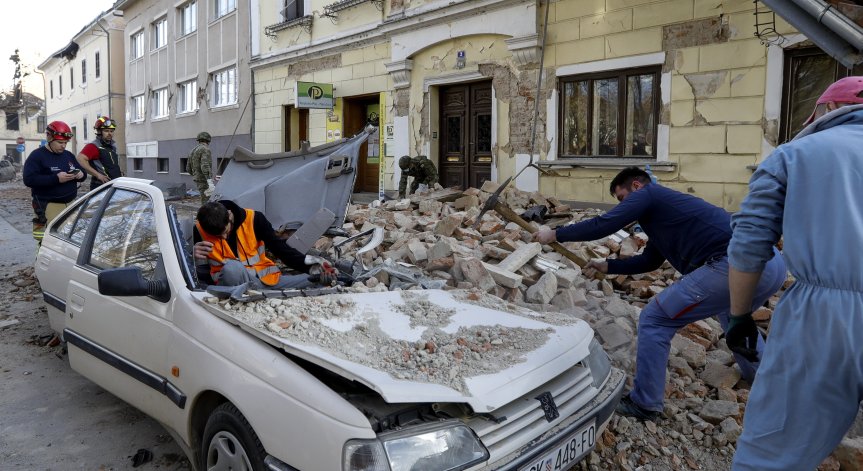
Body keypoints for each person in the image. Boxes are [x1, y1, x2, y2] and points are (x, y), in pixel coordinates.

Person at [533, 167, 787, 421]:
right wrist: (609, 266)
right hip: (770, 264)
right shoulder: (661, 215)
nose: (624, 206)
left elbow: (607, 223)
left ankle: (645, 404)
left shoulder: (649, 194)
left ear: (636, 186)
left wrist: (555, 233)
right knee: (733, 316)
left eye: (622, 198)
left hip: (734, 262)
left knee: (655, 319)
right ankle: (763, 379)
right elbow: (650, 262)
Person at [728, 77, 863, 470]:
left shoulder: (796, 154)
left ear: (827, 110)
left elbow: (749, 245)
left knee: (771, 455)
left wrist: (739, 317)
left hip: (823, 318)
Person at [192, 200, 339, 290]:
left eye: (225, 231)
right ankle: (255, 293)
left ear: (230, 216)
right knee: (232, 269)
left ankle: (318, 279)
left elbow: (281, 250)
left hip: (263, 281)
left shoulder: (255, 219)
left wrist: (311, 266)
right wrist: (194, 258)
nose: (223, 237)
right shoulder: (200, 229)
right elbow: (201, 274)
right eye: (218, 236)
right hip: (229, 284)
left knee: (312, 279)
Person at [23, 121, 87, 246]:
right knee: (48, 241)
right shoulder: (37, 156)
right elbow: (29, 179)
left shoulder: (68, 155)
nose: (63, 146)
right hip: (49, 206)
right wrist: (56, 179)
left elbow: (82, 173)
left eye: (65, 143)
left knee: (68, 240)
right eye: (60, 142)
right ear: (49, 137)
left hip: (70, 204)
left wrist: (80, 175)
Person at [76, 116, 122, 190]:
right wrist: (98, 175)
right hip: (100, 186)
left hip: (113, 186)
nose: (110, 133)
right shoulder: (94, 146)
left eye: (111, 131)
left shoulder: (112, 146)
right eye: (106, 131)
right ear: (99, 132)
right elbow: (80, 159)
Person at [187, 132, 214, 204]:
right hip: (204, 180)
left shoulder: (193, 150)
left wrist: (196, 175)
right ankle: (205, 215)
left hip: (198, 180)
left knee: (204, 200)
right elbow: (205, 166)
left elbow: (188, 168)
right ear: (208, 140)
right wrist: (209, 181)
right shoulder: (205, 149)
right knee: (207, 202)